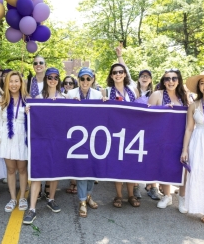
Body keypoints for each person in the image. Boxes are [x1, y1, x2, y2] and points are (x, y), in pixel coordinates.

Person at [23, 68, 63, 225]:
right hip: (42, 140)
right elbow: (32, 117)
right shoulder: (38, 98)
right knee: (38, 174)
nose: (53, 80)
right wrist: (28, 111)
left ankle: (51, 199)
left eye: (55, 77)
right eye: (50, 77)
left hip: (59, 140)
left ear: (58, 80)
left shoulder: (64, 97)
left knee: (55, 172)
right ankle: (32, 208)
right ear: (46, 79)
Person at [65, 67, 103, 218]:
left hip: (94, 137)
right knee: (81, 170)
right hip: (77, 138)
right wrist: (71, 106)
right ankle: (82, 201)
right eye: (82, 79)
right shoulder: (70, 94)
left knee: (92, 170)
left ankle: (88, 196)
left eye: (88, 79)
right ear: (78, 80)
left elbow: (103, 115)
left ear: (92, 80)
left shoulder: (98, 94)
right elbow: (64, 115)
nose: (85, 82)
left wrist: (105, 103)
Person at [103, 64, 143, 208]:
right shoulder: (106, 91)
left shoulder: (133, 90)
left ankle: (131, 195)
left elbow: (141, 109)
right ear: (111, 75)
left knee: (130, 164)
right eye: (115, 72)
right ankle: (119, 195)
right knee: (117, 164)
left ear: (125, 74)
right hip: (114, 132)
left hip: (132, 132)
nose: (118, 74)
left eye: (121, 72)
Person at [148, 68, 188, 212]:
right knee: (164, 165)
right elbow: (147, 117)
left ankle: (182, 198)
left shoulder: (184, 96)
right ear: (163, 81)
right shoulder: (157, 95)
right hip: (163, 139)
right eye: (167, 79)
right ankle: (167, 195)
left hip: (181, 138)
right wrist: (163, 110)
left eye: (174, 78)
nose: (170, 81)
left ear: (178, 80)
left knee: (183, 167)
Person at [0, 71, 29, 213]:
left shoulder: (27, 99)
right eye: (11, 81)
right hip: (7, 137)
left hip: (21, 137)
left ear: (21, 83)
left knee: (22, 169)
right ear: (7, 84)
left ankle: (23, 197)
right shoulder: (2, 100)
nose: (14, 84)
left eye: (16, 81)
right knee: (11, 169)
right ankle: (13, 198)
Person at [181, 71, 204, 224]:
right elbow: (189, 128)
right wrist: (184, 150)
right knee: (200, 173)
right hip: (199, 142)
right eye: (202, 83)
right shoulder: (194, 105)